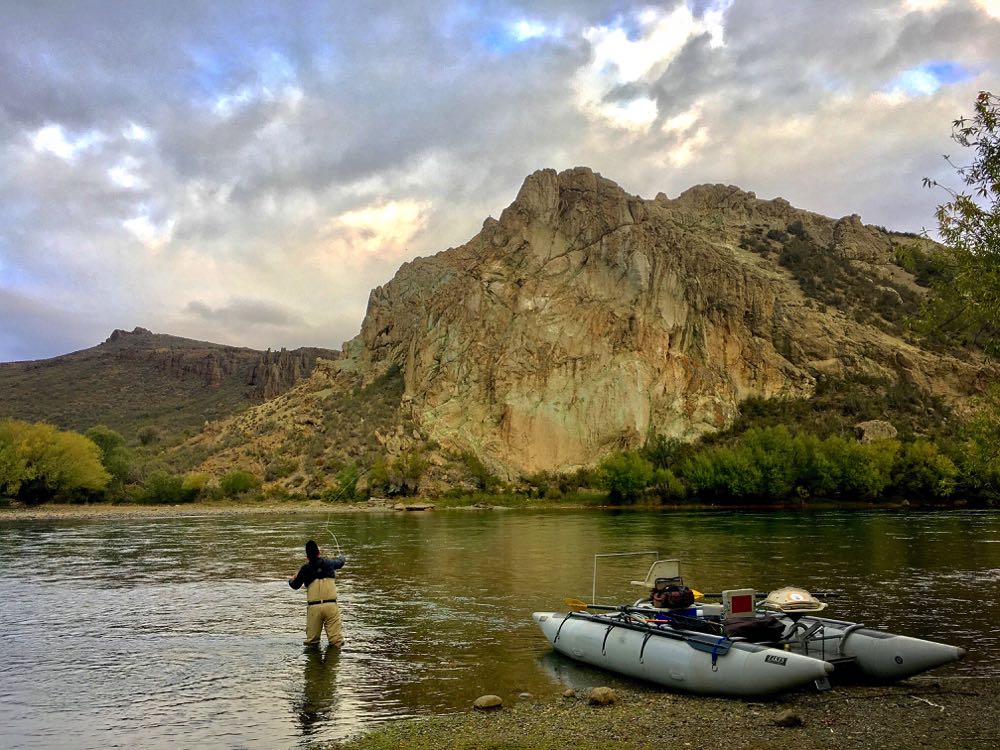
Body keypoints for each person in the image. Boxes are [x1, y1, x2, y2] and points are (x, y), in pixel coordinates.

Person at [289, 540, 346, 647]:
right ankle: (332, 662)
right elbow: (340, 563)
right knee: (336, 642)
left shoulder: (305, 568)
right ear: (318, 552)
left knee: (312, 643)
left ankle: (313, 663)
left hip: (314, 608)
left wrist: (292, 579)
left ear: (307, 557)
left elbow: (295, 585)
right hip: (331, 606)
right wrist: (342, 557)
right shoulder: (329, 563)